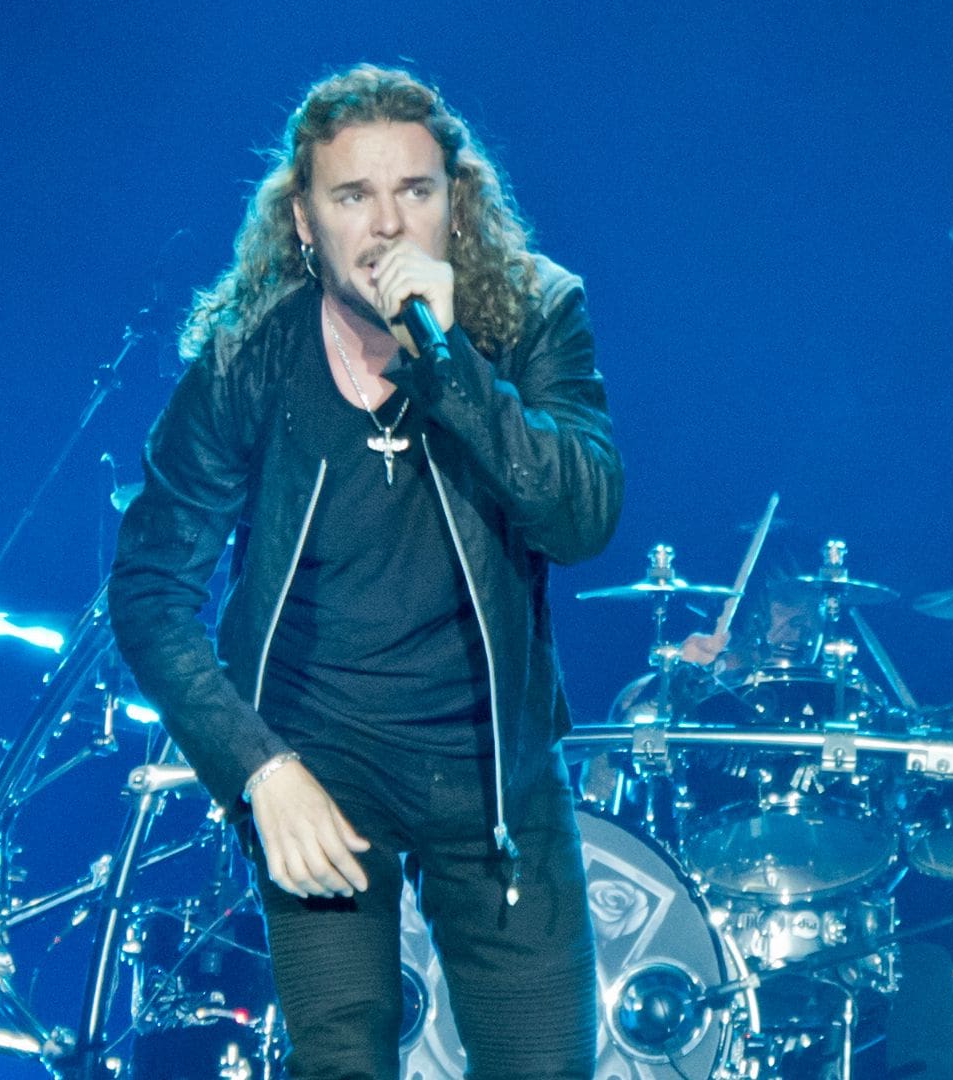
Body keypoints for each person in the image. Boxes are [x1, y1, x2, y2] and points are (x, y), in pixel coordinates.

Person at [108, 65, 623, 1078]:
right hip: (321, 765)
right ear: (304, 220)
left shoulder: (532, 316)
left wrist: (451, 365)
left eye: (415, 191)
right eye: (353, 196)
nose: (387, 226)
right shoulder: (249, 360)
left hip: (493, 775)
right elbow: (149, 591)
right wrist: (258, 770)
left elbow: (581, 519)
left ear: (455, 205)